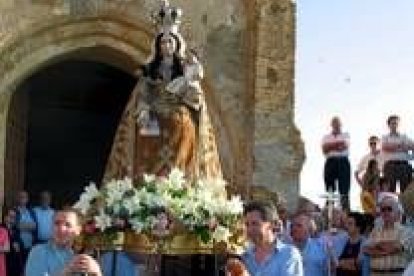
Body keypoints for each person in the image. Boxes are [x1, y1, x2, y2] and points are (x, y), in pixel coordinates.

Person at [25, 208, 102, 276]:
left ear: (78, 230)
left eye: (67, 225)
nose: (61, 229)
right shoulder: (39, 252)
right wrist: (67, 271)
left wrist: (97, 272)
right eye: (57, 223)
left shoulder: (86, 253)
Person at [242, 200, 303, 275]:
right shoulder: (245, 256)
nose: (250, 229)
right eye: (247, 224)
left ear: (271, 224)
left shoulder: (289, 255)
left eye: (255, 224)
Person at [362, 195, 413, 276]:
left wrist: (377, 246)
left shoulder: (405, 231)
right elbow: (365, 249)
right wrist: (390, 248)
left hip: (397, 273)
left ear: (396, 211)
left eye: (389, 209)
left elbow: (395, 248)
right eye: (383, 209)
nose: (386, 212)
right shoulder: (375, 231)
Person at [321, 116, 351, 210]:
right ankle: (329, 211)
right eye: (334, 123)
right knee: (330, 189)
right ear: (331, 125)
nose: (336, 125)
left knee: (344, 189)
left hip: (343, 162)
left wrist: (330, 146)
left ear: (341, 124)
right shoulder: (326, 137)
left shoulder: (346, 135)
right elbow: (324, 149)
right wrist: (336, 145)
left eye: (338, 123)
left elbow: (344, 146)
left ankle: (345, 211)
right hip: (330, 162)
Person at [381, 115, 414, 193]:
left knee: (406, 192)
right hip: (390, 166)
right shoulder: (385, 137)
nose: (395, 125)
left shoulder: (404, 136)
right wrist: (402, 146)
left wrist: (394, 147)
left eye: (396, 123)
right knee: (390, 191)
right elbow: (385, 147)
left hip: (404, 166)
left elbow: (412, 146)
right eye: (392, 123)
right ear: (388, 125)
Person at [336, 212, 366, 276]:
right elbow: (334, 262)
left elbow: (359, 265)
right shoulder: (342, 240)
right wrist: (351, 263)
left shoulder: (365, 242)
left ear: (358, 227)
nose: (346, 226)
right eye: (346, 223)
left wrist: (341, 263)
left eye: (350, 224)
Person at [14, 190, 38, 265]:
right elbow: (16, 226)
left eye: (24, 197)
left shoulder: (31, 211)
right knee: (18, 266)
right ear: (17, 199)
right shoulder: (14, 211)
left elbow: (35, 226)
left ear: (27, 199)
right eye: (21, 197)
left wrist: (22, 225)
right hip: (18, 244)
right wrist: (29, 226)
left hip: (30, 245)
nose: (23, 199)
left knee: (28, 265)